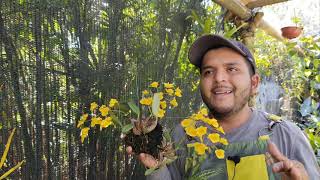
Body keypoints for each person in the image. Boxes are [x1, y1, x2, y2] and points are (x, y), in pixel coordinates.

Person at [127, 34, 320, 179]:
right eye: (209, 71)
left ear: (254, 83)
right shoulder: (182, 137)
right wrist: (156, 169)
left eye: (232, 69)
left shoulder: (286, 136)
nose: (219, 78)